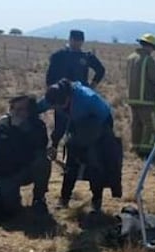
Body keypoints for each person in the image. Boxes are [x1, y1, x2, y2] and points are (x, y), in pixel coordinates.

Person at [45, 79, 116, 212]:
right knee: (71, 164)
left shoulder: (85, 100)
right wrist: (54, 144)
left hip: (98, 125)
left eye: (60, 105)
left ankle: (96, 202)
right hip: (79, 125)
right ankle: (64, 199)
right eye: (55, 107)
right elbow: (48, 111)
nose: (58, 109)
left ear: (67, 98)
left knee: (94, 163)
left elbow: (104, 119)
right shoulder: (57, 97)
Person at [0, 95, 51, 215]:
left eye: (20, 109)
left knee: (43, 161)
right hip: (5, 173)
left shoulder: (37, 126)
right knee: (11, 211)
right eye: (13, 108)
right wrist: (15, 130)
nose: (15, 112)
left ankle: (39, 198)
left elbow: (41, 148)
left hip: (26, 169)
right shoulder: (1, 127)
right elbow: (5, 156)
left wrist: (26, 132)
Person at [45, 29, 106, 149]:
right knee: (60, 125)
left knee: (78, 125)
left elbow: (101, 70)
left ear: (83, 41)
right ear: (70, 39)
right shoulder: (59, 55)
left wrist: (92, 86)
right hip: (62, 95)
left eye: (80, 40)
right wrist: (51, 90)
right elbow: (50, 75)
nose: (77, 43)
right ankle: (54, 146)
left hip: (79, 97)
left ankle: (73, 151)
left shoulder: (86, 57)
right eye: (75, 40)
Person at [126, 33, 155, 157]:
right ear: (149, 46)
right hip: (146, 99)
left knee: (136, 124)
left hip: (132, 97)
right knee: (150, 125)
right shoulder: (148, 59)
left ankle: (135, 147)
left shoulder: (131, 58)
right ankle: (146, 150)